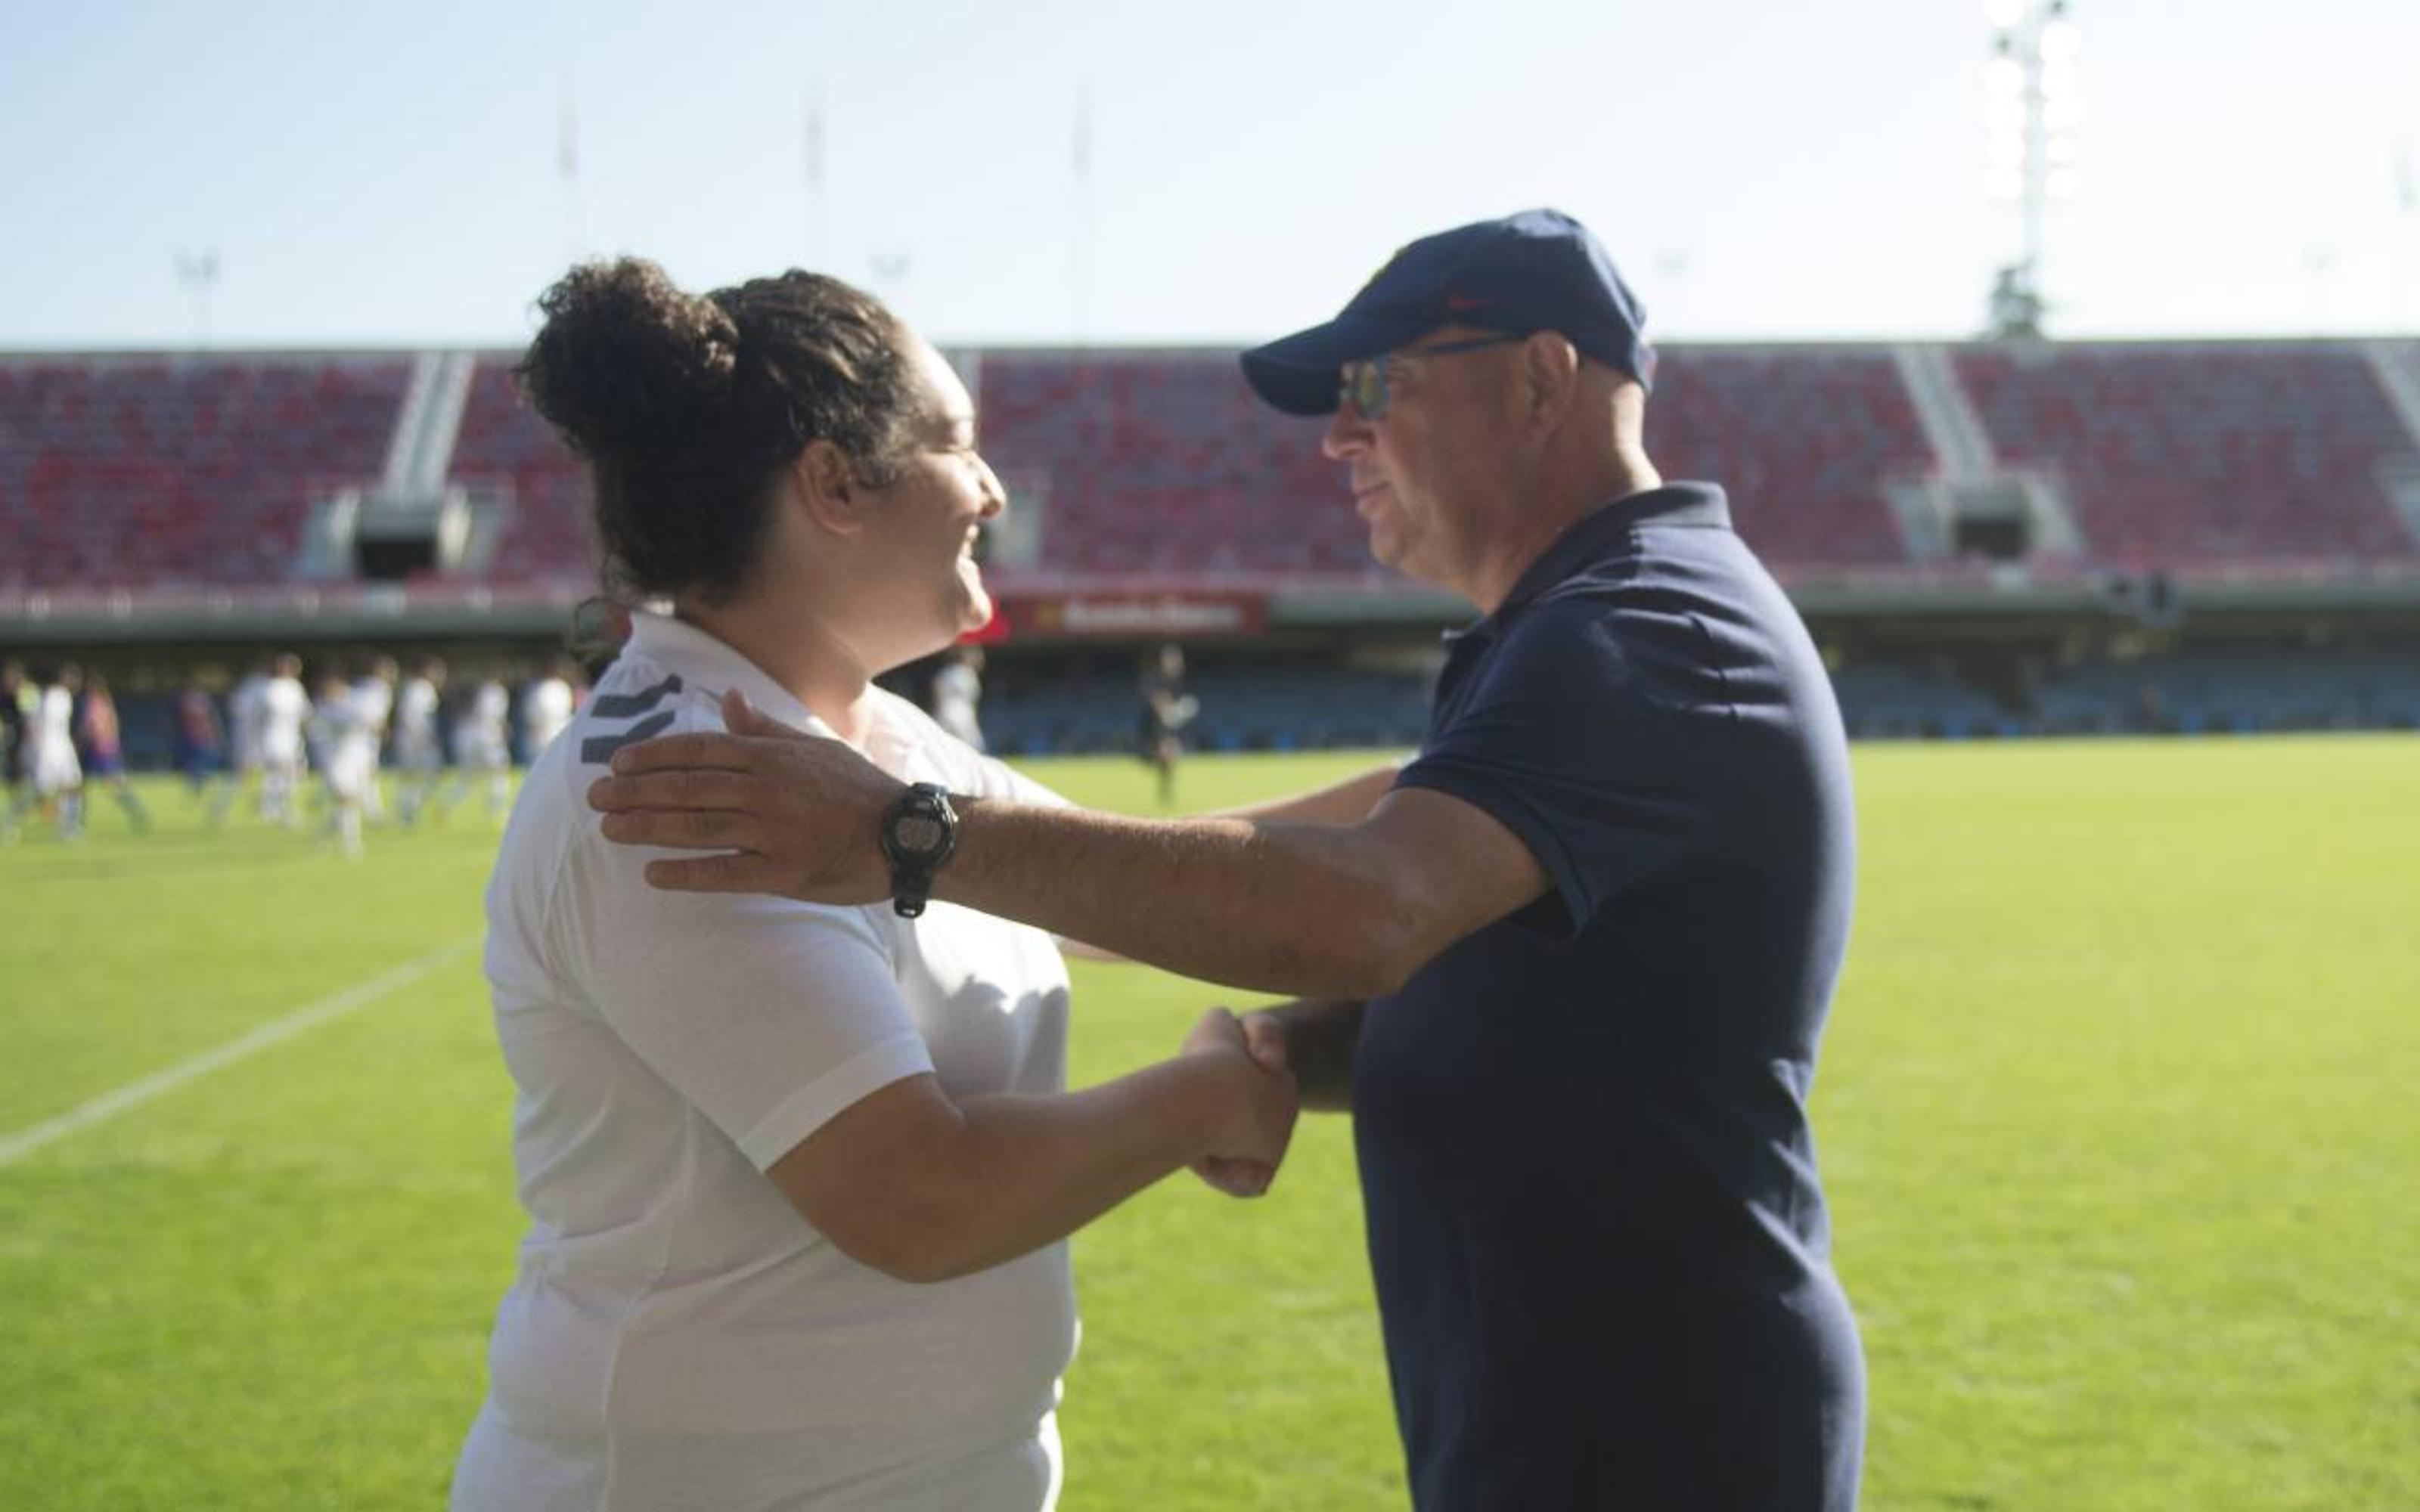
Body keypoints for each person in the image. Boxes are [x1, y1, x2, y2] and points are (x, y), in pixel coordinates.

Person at [588, 209, 1865, 1510]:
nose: (1338, 434)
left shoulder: (1645, 625)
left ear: (1543, 378)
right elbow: (1527, 1004)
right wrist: (1272, 1064)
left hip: (1661, 1420)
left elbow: (1369, 910)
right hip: (1583, 1398)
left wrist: (903, 837)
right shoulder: (1585, 625)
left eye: (1375, 385)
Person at [448, 257, 1297, 1512]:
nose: (993, 486)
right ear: (835, 485)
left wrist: (1458, 804)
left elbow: (1126, 883)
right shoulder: (676, 783)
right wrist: (1207, 1097)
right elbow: (917, 1196)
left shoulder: (874, 738)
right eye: (956, 442)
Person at [73, 673, 150, 833]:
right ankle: (77, 821)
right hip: (105, 749)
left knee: (108, 786)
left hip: (98, 751)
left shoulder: (94, 704)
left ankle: (137, 812)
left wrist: (78, 743)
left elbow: (91, 728)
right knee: (84, 786)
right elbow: (113, 727)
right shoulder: (106, 702)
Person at [1134, 643, 1195, 806]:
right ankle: (1152, 762)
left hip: (1164, 732)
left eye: (1178, 659)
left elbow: (1170, 715)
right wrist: (1179, 711)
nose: (1176, 663)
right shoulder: (1153, 680)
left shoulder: (1178, 684)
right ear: (1163, 661)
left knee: (1170, 756)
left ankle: (1165, 792)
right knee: (1166, 754)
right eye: (1172, 659)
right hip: (1149, 733)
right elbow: (1160, 706)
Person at [392, 655, 448, 826]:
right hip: (415, 740)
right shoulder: (419, 689)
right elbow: (412, 717)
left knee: (425, 777)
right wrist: (423, 739)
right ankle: (406, 812)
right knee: (419, 776)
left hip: (415, 739)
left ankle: (408, 809)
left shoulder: (420, 689)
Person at [928, 644, 987, 751]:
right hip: (961, 713)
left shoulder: (944, 673)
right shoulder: (967, 673)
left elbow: (936, 695)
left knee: (942, 748)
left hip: (944, 712)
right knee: (973, 747)